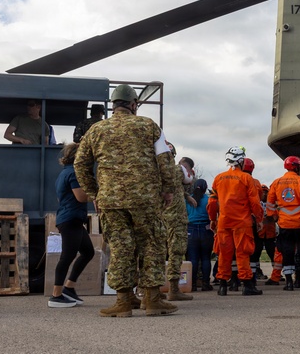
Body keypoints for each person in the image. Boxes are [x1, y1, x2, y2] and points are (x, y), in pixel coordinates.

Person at [74, 84, 179, 317]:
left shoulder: (96, 130)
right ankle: (152, 300)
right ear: (133, 105)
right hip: (146, 198)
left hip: (111, 200)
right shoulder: (149, 125)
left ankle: (123, 301)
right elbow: (165, 159)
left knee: (121, 246)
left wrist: (94, 193)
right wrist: (168, 189)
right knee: (151, 243)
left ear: (114, 105)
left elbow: (80, 164)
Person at [207, 146, 264, 296]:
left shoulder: (218, 178)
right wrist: (259, 219)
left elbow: (212, 202)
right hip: (242, 222)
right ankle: (246, 285)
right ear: (241, 161)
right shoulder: (246, 178)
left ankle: (223, 286)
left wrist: (213, 219)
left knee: (224, 253)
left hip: (223, 222)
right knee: (243, 253)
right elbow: (255, 203)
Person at [48, 143, 95, 308]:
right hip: (71, 219)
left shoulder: (63, 173)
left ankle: (69, 288)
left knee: (88, 252)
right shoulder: (74, 173)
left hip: (71, 218)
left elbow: (61, 198)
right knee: (67, 257)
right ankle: (56, 295)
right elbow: (81, 197)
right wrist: (98, 194)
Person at [267, 155, 300, 291]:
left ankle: (289, 283)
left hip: (284, 224)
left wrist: (274, 217)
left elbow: (270, 203)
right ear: (298, 167)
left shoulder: (276, 182)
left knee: (287, 253)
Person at [162, 142, 193, 303]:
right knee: (176, 251)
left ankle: (152, 288)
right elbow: (189, 179)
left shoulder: (153, 171)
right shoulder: (176, 170)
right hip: (176, 217)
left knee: (156, 252)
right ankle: (174, 288)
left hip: (159, 217)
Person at [243, 158, 274, 280]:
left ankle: (234, 279)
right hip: (251, 222)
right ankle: (250, 278)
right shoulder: (254, 182)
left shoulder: (226, 179)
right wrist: (259, 219)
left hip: (233, 221)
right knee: (252, 251)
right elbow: (256, 202)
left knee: (239, 252)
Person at [185, 178, 213, 292]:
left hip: (191, 229)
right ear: (205, 188)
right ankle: (206, 283)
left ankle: (192, 284)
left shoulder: (188, 200)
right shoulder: (208, 200)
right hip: (206, 229)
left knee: (193, 258)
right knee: (206, 258)